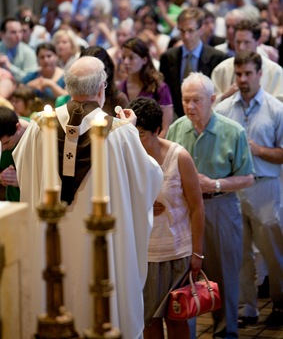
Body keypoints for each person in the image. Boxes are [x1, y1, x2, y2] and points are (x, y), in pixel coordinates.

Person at [13, 56, 163, 339]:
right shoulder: (119, 133)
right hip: (102, 246)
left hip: (52, 245)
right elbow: (150, 178)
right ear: (102, 88)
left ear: (68, 87)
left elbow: (25, 171)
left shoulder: (38, 127)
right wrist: (132, 130)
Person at [167, 72, 254, 338]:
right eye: (185, 100)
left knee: (224, 275)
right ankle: (186, 333)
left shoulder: (233, 131)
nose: (190, 107)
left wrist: (214, 184)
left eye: (196, 100)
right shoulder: (176, 128)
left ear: (212, 99)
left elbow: (248, 177)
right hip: (183, 211)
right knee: (183, 276)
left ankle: (226, 332)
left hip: (220, 207)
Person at [215, 51, 283, 327]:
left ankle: (280, 303)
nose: (242, 79)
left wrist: (257, 150)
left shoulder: (276, 109)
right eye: (238, 74)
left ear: (260, 74)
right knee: (239, 252)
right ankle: (247, 308)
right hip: (234, 189)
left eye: (247, 74)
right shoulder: (222, 110)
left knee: (274, 251)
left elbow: (282, 154)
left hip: (265, 187)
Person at [128, 97, 205, 339]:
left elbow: (197, 207)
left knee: (177, 321)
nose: (135, 140)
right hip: (144, 253)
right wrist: (142, 205)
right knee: (149, 321)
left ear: (157, 130)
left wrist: (197, 253)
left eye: (140, 134)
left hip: (176, 251)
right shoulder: (128, 158)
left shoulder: (178, 157)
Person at [160, 7, 227, 118]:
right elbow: (165, 95)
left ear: (201, 29)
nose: (186, 36)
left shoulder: (217, 58)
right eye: (182, 31)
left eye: (190, 30)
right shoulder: (167, 58)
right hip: (176, 118)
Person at [212, 19, 283, 103]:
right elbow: (209, 103)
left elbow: (279, 107)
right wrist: (225, 96)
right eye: (238, 42)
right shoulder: (221, 69)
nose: (241, 47)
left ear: (259, 42)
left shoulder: (275, 72)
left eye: (246, 42)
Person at [119, 37, 173, 138]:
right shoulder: (119, 87)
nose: (126, 62)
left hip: (153, 145)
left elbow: (166, 128)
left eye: (131, 57)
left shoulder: (159, 88)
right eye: (123, 57)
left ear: (144, 60)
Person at [55, 46, 129, 116]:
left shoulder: (118, 99)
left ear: (106, 72)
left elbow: (123, 126)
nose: (89, 79)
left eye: (94, 74)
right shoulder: (75, 97)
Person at [0, 106, 29, 201]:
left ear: (18, 127)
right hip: (12, 204)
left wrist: (22, 180)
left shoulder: (40, 135)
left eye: (6, 142)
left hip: (35, 207)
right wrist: (3, 177)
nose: (3, 149)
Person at [0, 17, 38, 83]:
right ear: (2, 34)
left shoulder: (29, 52)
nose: (18, 35)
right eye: (13, 32)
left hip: (21, 91)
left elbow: (30, 78)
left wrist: (10, 66)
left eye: (20, 31)